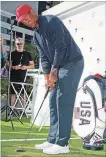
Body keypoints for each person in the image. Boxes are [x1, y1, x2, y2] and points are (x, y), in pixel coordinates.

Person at [16, 4, 84, 155]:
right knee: (53, 100)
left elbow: (61, 48)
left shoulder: (51, 22)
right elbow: (44, 57)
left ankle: (62, 143)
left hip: (72, 62)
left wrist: (53, 72)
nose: (26, 21)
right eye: (23, 21)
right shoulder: (36, 35)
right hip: (58, 66)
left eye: (26, 18)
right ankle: (52, 139)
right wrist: (47, 76)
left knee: (62, 100)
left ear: (31, 12)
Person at [7, 38, 34, 107]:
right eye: (18, 44)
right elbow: (7, 64)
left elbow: (32, 65)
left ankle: (23, 111)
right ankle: (12, 111)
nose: (19, 45)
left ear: (23, 44)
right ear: (15, 44)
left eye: (21, 43)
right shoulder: (12, 53)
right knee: (13, 94)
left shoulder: (28, 54)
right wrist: (13, 67)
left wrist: (25, 67)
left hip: (23, 77)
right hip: (14, 76)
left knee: (23, 94)